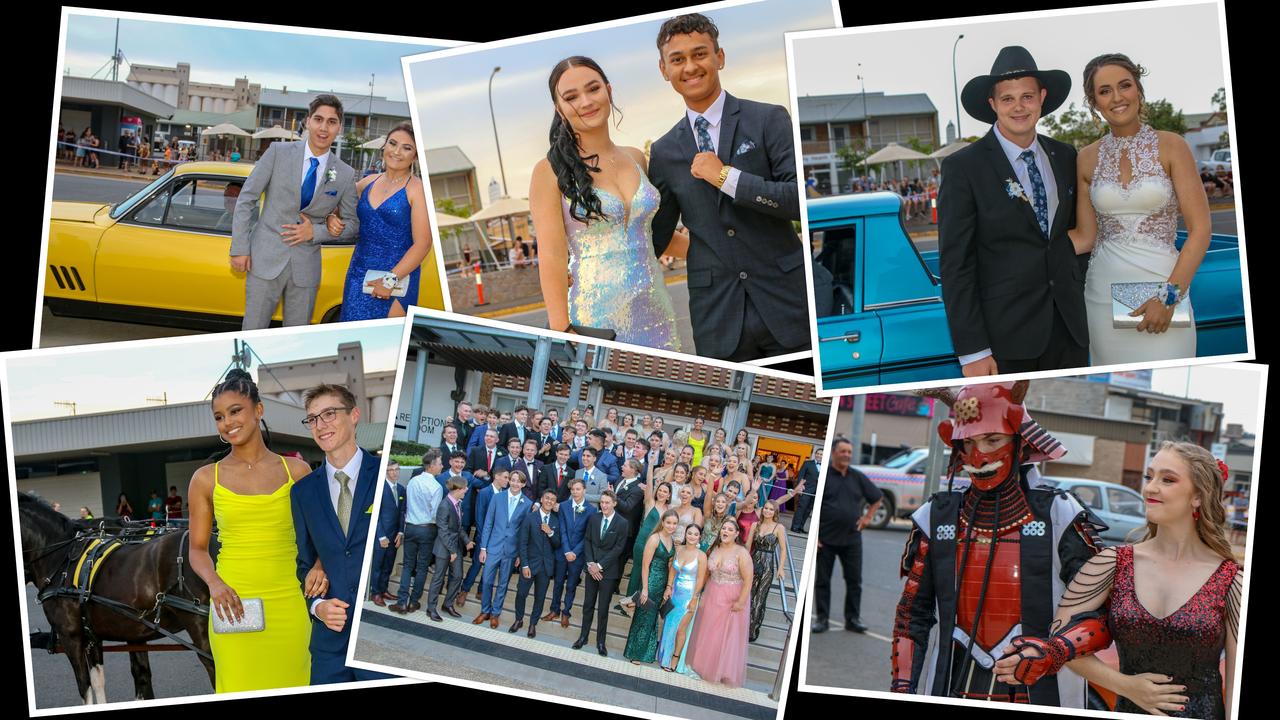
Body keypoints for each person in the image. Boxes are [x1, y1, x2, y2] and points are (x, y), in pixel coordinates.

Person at [890, 381, 1105, 707]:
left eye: (992, 439)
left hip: (1041, 685)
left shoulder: (1060, 513)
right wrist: (901, 691)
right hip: (953, 680)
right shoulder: (936, 516)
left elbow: (1100, 612)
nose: (979, 455)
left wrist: (1054, 651)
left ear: (1020, 442)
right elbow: (911, 618)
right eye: (969, 442)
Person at [995, 443, 1243, 718]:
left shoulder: (1231, 580)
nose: (1150, 488)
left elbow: (1235, 684)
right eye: (1150, 477)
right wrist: (1127, 686)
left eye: (1168, 479)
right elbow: (1058, 644)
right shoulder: (1112, 563)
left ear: (1198, 496)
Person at [648, 13, 808, 361]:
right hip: (717, 320)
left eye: (699, 54)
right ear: (664, 69)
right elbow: (657, 235)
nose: (690, 66)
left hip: (788, 306)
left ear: (719, 57)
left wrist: (726, 178)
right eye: (678, 59)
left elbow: (799, 201)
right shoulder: (663, 151)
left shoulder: (769, 119)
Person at [941, 46, 1087, 376]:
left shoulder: (1065, 156)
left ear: (1042, 98)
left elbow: (1069, 238)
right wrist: (973, 351)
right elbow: (957, 266)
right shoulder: (963, 167)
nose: (1018, 107)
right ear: (993, 104)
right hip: (1003, 341)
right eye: (1007, 99)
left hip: (1069, 334)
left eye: (1027, 96)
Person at [529, 56, 684, 350]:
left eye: (593, 89)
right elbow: (551, 257)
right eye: (571, 97)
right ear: (559, 109)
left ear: (609, 91)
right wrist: (562, 329)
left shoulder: (637, 157)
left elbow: (652, 235)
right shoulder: (548, 171)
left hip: (657, 312)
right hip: (594, 320)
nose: (586, 101)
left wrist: (725, 250)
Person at [1068, 54, 1210, 365]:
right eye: (1105, 91)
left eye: (1124, 86)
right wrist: (1021, 246)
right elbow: (1085, 237)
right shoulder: (1086, 158)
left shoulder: (1173, 146)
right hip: (1102, 298)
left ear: (1138, 90)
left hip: (1166, 291)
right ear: (1094, 102)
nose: (1117, 98)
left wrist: (1168, 297)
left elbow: (1201, 231)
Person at [187, 369, 316, 692]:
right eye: (219, 416)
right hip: (234, 604)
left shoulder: (298, 471)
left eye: (235, 411)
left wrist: (320, 566)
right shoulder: (205, 478)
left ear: (259, 410)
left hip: (290, 602)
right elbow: (198, 549)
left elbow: (321, 537)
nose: (227, 422)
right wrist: (215, 584)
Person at [232, 94, 359, 330]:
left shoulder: (345, 173)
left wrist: (317, 232)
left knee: (296, 338)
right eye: (318, 119)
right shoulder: (277, 152)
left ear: (339, 128)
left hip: (306, 269)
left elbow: (353, 225)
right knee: (252, 330)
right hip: (264, 258)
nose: (324, 127)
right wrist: (240, 248)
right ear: (308, 121)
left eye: (331, 122)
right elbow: (246, 198)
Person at [328, 122, 432, 321]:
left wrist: (389, 280)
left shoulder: (416, 190)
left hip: (398, 279)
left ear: (415, 156)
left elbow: (423, 243)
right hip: (359, 274)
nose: (397, 152)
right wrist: (331, 217)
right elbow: (336, 208)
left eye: (407, 148)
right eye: (392, 144)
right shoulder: (367, 183)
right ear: (385, 146)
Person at [812, 438, 882, 635]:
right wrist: (815, 535)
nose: (847, 455)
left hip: (852, 539)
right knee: (822, 581)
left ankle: (852, 619)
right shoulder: (824, 476)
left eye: (849, 452)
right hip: (825, 540)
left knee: (854, 581)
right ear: (833, 452)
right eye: (843, 451)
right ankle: (822, 619)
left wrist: (868, 517)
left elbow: (877, 498)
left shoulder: (857, 477)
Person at [686, 518, 752, 687]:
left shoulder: (741, 552)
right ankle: (703, 665)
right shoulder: (714, 549)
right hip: (712, 594)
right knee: (709, 631)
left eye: (730, 529)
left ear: (737, 534)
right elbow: (706, 573)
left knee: (726, 636)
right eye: (724, 529)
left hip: (732, 597)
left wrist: (741, 601)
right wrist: (699, 594)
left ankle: (722, 671)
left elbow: (748, 579)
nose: (726, 532)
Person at [573, 490, 629, 656]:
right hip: (591, 570)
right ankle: (583, 637)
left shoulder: (622, 523)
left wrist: (600, 566)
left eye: (607, 502)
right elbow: (588, 540)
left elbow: (618, 548)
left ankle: (601, 642)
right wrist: (591, 565)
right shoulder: (594, 518)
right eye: (602, 502)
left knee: (603, 608)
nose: (603, 505)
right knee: (588, 605)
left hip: (608, 572)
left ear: (614, 503)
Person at [389, 449, 444, 614]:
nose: (442, 466)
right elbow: (435, 513)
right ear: (432, 465)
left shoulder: (413, 481)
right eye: (440, 463)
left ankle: (401, 602)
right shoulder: (436, 486)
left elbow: (407, 505)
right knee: (421, 567)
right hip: (427, 528)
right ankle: (414, 602)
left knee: (407, 566)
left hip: (410, 527)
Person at [475, 470, 531, 629]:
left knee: (503, 583)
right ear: (509, 481)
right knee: (486, 580)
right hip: (493, 547)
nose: (515, 483)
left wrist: (520, 554)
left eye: (518, 481)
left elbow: (523, 532)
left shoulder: (527, 504)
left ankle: (495, 613)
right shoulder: (497, 497)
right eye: (512, 480)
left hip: (511, 550)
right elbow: (488, 524)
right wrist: (483, 548)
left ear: (523, 484)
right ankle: (485, 610)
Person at [623, 508, 678, 663]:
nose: (671, 526)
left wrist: (668, 586)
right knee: (643, 617)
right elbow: (645, 565)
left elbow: (670, 565)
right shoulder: (654, 538)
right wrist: (645, 589)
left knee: (652, 618)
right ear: (663, 522)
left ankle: (646, 653)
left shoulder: (672, 541)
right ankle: (635, 653)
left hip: (662, 583)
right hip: (650, 581)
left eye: (674, 523)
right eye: (668, 522)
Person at [546, 478, 597, 629]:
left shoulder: (591, 510)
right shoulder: (564, 506)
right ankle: (554, 609)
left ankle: (566, 612)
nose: (575, 492)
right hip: (563, 551)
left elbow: (587, 535)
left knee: (571, 585)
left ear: (584, 490)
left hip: (578, 555)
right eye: (573, 489)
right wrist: (567, 550)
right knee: (558, 583)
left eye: (578, 489)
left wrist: (574, 552)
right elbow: (561, 529)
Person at [658, 523, 708, 673]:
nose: (692, 536)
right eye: (689, 533)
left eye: (695, 534)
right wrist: (668, 587)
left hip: (689, 596)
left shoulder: (701, 556)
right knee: (669, 625)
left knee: (681, 629)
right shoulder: (679, 550)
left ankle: (675, 658)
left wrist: (694, 599)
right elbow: (673, 570)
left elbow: (700, 580)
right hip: (675, 594)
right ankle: (663, 656)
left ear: (699, 537)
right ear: (685, 535)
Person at [511, 489, 562, 637]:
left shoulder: (555, 521)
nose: (549, 501)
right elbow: (523, 543)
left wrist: (550, 533)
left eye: (552, 499)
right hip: (529, 565)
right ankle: (518, 619)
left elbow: (557, 544)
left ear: (554, 503)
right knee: (521, 593)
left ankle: (533, 624)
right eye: (547, 498)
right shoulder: (530, 518)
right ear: (541, 499)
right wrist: (524, 564)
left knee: (540, 597)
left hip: (545, 567)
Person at [459, 464, 507, 608]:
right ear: (496, 476)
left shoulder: (505, 493)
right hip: (484, 537)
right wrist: (483, 537)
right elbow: (479, 516)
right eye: (505, 477)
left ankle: (481, 590)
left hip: (498, 538)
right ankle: (464, 590)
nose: (507, 480)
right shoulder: (485, 492)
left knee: (490, 567)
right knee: (477, 564)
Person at [426, 476, 472, 621]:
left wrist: (466, 541)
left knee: (457, 576)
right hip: (443, 548)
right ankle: (431, 608)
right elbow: (443, 531)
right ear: (458, 490)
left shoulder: (458, 503)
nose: (467, 490)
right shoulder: (444, 505)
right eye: (465, 488)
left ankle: (448, 604)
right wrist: (452, 551)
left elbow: (458, 528)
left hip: (455, 546)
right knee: (438, 578)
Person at [747, 500, 789, 642]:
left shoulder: (779, 528)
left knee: (759, 598)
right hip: (754, 561)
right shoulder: (755, 525)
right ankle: (742, 627)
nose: (768, 511)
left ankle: (752, 630)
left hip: (768, 564)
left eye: (771, 509)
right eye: (766, 508)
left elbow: (783, 549)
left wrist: (781, 568)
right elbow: (747, 546)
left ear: (775, 512)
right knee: (749, 596)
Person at [370, 459, 407, 606]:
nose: (394, 472)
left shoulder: (402, 489)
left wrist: (400, 532)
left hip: (395, 536)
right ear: (385, 472)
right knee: (378, 565)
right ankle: (375, 593)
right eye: (391, 470)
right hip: (382, 535)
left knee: (388, 565)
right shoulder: (379, 488)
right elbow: (375, 514)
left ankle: (384, 589)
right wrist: (381, 536)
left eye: (397, 469)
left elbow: (402, 512)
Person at [791, 449, 822, 533]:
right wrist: (800, 487)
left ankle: (801, 527)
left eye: (821, 454)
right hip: (806, 489)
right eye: (818, 454)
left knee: (808, 510)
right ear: (815, 454)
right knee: (801, 508)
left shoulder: (825, 466)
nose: (819, 455)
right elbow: (801, 475)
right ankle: (795, 527)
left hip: (817, 492)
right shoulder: (807, 463)